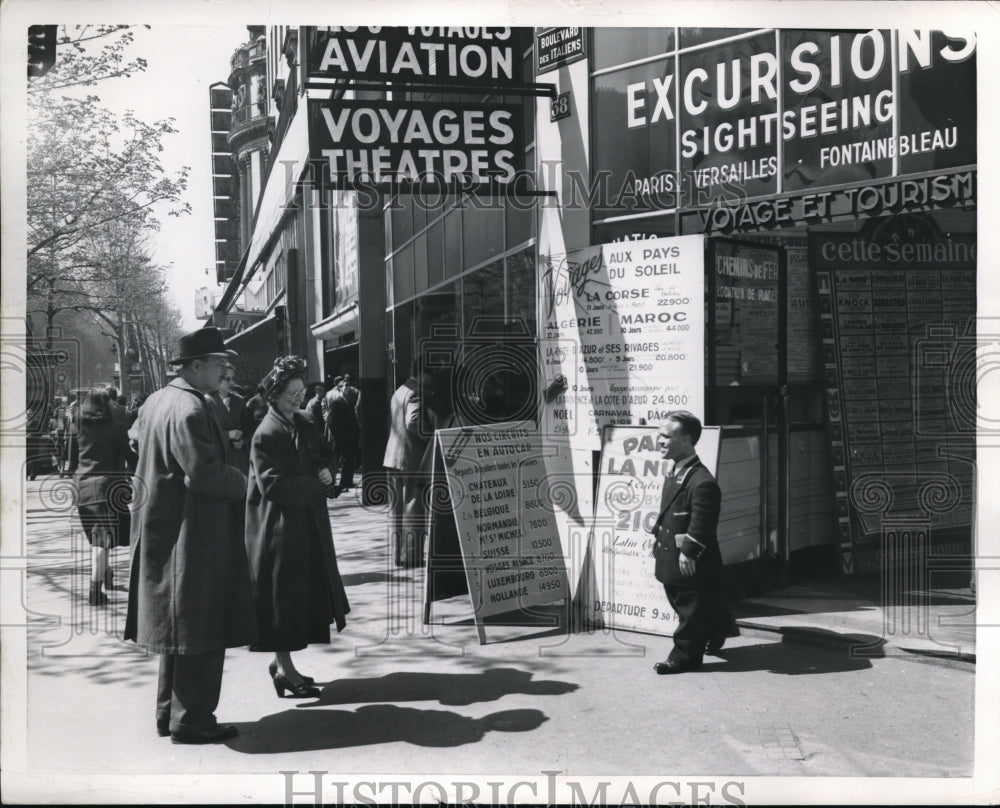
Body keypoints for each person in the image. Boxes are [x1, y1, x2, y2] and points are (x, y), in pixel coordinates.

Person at [124, 326, 256, 744]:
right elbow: (202, 473)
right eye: (219, 364)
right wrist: (244, 480)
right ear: (195, 366)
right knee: (199, 627)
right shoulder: (191, 408)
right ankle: (193, 721)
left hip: (165, 529)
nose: (225, 370)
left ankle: (170, 714)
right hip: (192, 535)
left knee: (174, 629)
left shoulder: (157, 401)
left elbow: (136, 444)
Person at [244, 356, 350, 698]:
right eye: (292, 392)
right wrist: (316, 484)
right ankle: (285, 671)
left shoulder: (304, 422)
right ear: (274, 394)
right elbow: (273, 486)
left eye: (301, 391)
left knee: (296, 598)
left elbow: (328, 453)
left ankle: (283, 666)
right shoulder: (266, 433)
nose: (298, 397)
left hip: (304, 524)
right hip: (278, 528)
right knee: (282, 600)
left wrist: (329, 472)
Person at [649, 411, 737, 674]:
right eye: (659, 435)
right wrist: (656, 534)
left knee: (689, 608)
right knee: (683, 600)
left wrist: (689, 552)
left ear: (686, 441)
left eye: (666, 436)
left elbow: (703, 522)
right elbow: (670, 510)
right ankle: (717, 627)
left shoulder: (702, 482)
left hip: (689, 559)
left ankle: (684, 656)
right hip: (671, 554)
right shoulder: (676, 471)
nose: (660, 441)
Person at [75, 387, 132, 605]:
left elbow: (71, 458)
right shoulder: (117, 428)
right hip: (108, 488)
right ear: (106, 404)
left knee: (99, 536)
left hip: (83, 488)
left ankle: (106, 575)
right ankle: (95, 592)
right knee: (101, 541)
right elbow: (129, 455)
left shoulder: (78, 427)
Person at [383, 360, 431, 566]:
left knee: (396, 510)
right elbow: (414, 421)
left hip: (394, 458)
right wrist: (432, 435)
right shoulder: (416, 391)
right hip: (410, 458)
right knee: (413, 507)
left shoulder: (400, 390)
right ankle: (411, 557)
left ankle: (399, 556)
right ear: (422, 373)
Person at [209, 362, 250, 475]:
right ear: (218, 379)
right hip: (220, 460)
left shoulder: (239, 400)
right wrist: (227, 435)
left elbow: (248, 426)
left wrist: (243, 439)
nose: (232, 382)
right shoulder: (207, 402)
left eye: (233, 378)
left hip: (239, 459)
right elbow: (206, 434)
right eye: (227, 379)